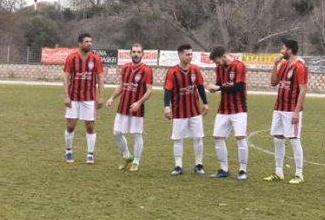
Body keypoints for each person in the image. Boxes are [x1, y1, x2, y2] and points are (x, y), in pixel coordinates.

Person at [265, 38, 309, 184]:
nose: (281, 51)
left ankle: (299, 174)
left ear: (290, 50)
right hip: (279, 108)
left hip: (291, 110)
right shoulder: (283, 65)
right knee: (278, 137)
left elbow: (303, 90)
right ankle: (278, 172)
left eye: (283, 48)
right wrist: (275, 65)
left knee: (294, 139)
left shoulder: (300, 67)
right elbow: (273, 83)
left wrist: (297, 112)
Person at [105, 43, 154, 171]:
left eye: (138, 52)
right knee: (116, 133)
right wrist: (112, 97)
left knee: (136, 134)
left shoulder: (146, 70)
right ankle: (127, 155)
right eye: (134, 52)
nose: (136, 54)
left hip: (137, 108)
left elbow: (149, 90)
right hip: (123, 106)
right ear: (130, 53)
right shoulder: (125, 67)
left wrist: (139, 103)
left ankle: (136, 161)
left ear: (142, 54)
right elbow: (122, 85)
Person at [163, 44, 208, 176]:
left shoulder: (195, 69)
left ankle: (199, 165)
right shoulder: (172, 72)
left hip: (195, 111)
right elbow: (168, 91)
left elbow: (200, 87)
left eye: (191, 54)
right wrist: (166, 106)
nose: (190, 57)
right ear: (180, 55)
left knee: (198, 138)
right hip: (179, 112)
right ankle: (178, 166)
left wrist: (205, 103)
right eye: (187, 54)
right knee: (178, 139)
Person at [207, 47, 249, 180]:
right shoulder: (219, 69)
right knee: (217, 137)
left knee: (240, 137)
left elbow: (239, 87)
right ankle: (224, 169)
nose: (216, 64)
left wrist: (218, 87)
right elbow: (220, 84)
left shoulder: (239, 66)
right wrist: (215, 87)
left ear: (224, 56)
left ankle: (243, 170)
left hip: (239, 109)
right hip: (223, 109)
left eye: (217, 61)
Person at [62, 32, 105, 164]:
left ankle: (90, 154)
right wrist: (66, 96)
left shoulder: (95, 59)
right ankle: (68, 151)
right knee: (70, 126)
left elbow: (100, 77)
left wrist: (101, 97)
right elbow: (65, 77)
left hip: (89, 98)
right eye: (87, 42)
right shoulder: (71, 58)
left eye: (91, 42)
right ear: (80, 43)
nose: (89, 44)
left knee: (90, 126)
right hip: (74, 97)